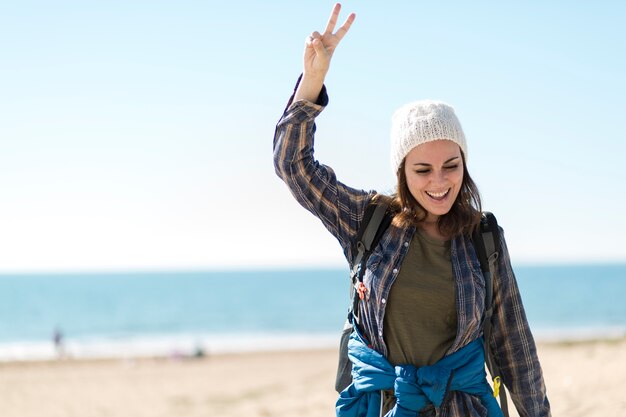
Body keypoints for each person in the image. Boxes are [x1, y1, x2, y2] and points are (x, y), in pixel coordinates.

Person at [273, 3, 550, 417]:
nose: (439, 182)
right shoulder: (368, 220)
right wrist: (312, 84)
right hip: (381, 406)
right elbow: (292, 166)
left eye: (450, 166)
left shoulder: (484, 237)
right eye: (422, 170)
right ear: (402, 172)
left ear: (465, 165)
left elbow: (514, 345)